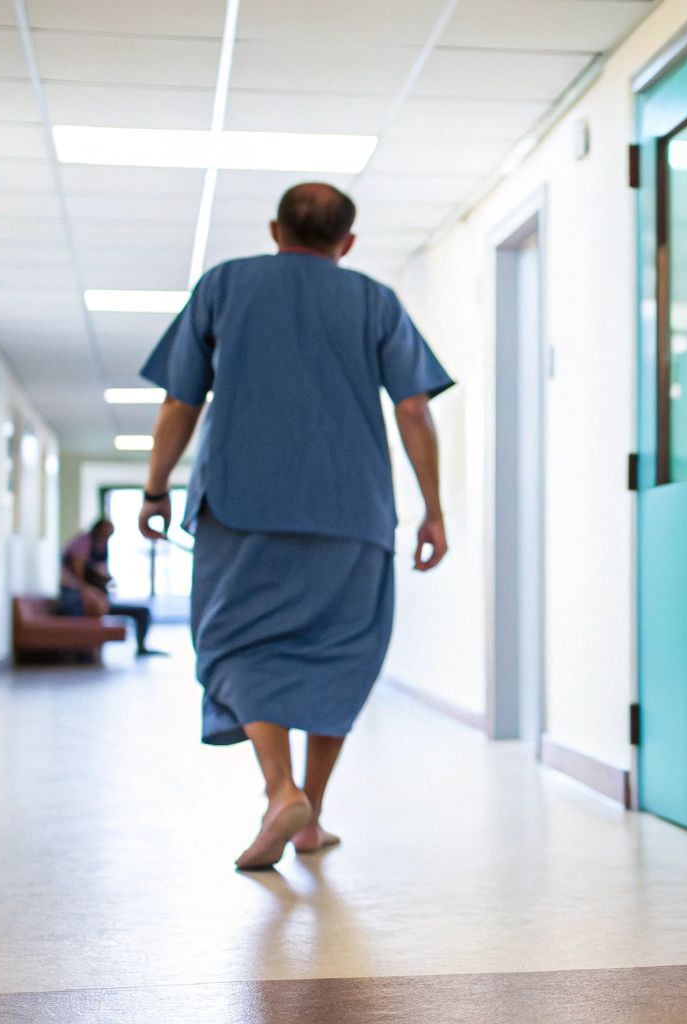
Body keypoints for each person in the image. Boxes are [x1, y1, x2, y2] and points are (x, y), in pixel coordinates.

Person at [136, 182, 453, 871]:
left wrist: (155, 488)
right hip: (353, 511)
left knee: (234, 642)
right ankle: (310, 811)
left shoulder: (224, 285)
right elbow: (413, 411)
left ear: (276, 230)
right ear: (348, 244)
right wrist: (433, 508)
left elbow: (179, 402)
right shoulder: (374, 300)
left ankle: (281, 791)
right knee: (342, 648)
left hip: (240, 505)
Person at [57, 517, 162, 657]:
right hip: (74, 593)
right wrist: (91, 593)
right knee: (82, 608)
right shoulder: (83, 542)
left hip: (95, 593)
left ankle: (142, 648)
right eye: (105, 533)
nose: (106, 537)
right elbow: (78, 576)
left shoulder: (101, 547)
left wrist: (107, 582)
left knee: (142, 612)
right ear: (98, 529)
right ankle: (80, 652)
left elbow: (101, 571)